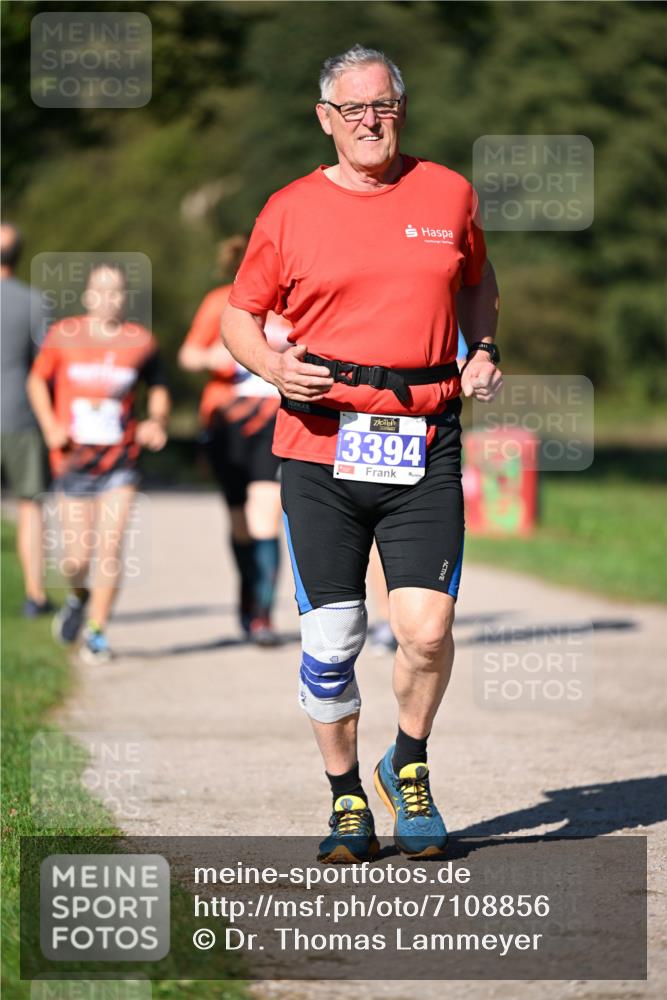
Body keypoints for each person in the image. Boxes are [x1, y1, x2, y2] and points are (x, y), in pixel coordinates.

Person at [222, 45, 502, 862]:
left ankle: (405, 764)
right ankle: (346, 796)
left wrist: (481, 345)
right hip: (317, 446)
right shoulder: (288, 209)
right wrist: (272, 365)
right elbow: (242, 315)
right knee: (333, 640)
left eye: (381, 106)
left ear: (400, 110)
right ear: (325, 120)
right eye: (352, 110)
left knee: (424, 629)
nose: (369, 121)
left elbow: (479, 279)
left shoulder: (446, 192)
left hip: (423, 437)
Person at [27, 263, 170, 664]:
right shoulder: (63, 337)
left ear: (125, 298)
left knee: (109, 547)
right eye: (101, 291)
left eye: (116, 292)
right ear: (88, 296)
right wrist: (51, 425)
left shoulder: (140, 341)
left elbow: (158, 387)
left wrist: (156, 421)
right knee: (76, 558)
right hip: (72, 461)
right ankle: (77, 596)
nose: (108, 299)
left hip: (120, 461)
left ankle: (96, 632)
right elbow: (37, 381)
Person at [178, 236, 290, 646]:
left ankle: (262, 616)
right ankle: (247, 600)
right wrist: (215, 358)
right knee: (241, 523)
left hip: (277, 422)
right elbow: (188, 354)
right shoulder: (220, 302)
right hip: (227, 423)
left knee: (268, 515)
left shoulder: (293, 306)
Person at [368, 328, 470, 655]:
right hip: (360, 429)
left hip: (421, 432)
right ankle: (387, 617)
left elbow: (463, 358)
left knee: (406, 533)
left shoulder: (437, 306)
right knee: (372, 535)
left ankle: (410, 618)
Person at [0, 223, 53, 617]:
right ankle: (35, 594)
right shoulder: (35, 302)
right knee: (30, 508)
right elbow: (46, 364)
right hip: (21, 416)